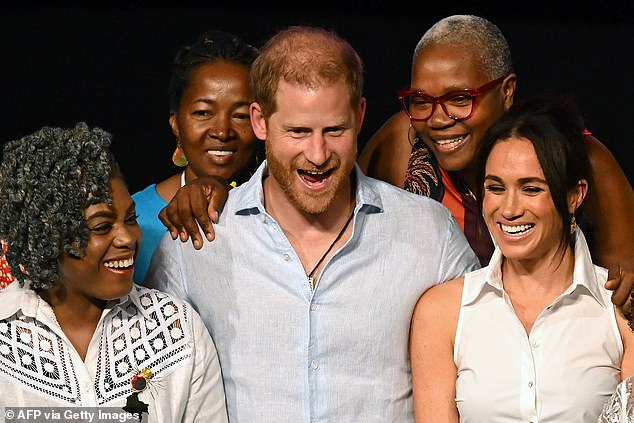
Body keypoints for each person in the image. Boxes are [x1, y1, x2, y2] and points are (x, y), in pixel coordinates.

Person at [146, 26, 479, 422]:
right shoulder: (196, 244)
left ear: (359, 115)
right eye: (298, 131)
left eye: (333, 130)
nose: (317, 154)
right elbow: (153, 390)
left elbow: (486, 373)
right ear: (260, 121)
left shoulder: (430, 233)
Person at [357, 15, 634, 298]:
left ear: (507, 91)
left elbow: (624, 291)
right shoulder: (403, 144)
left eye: (460, 99)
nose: (437, 119)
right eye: (421, 101)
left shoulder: (578, 158)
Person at [409, 96, 634, 422]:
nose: (510, 209)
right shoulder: (442, 312)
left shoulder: (619, 307)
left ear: (574, 195)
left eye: (531, 189)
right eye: (496, 188)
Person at [0, 123, 228, 422]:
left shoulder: (177, 329)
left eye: (130, 218)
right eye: (102, 226)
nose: (127, 238)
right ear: (47, 236)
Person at [132, 30, 262, 284]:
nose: (223, 132)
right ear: (176, 123)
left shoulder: (278, 211)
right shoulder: (134, 221)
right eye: (203, 113)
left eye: (241, 115)